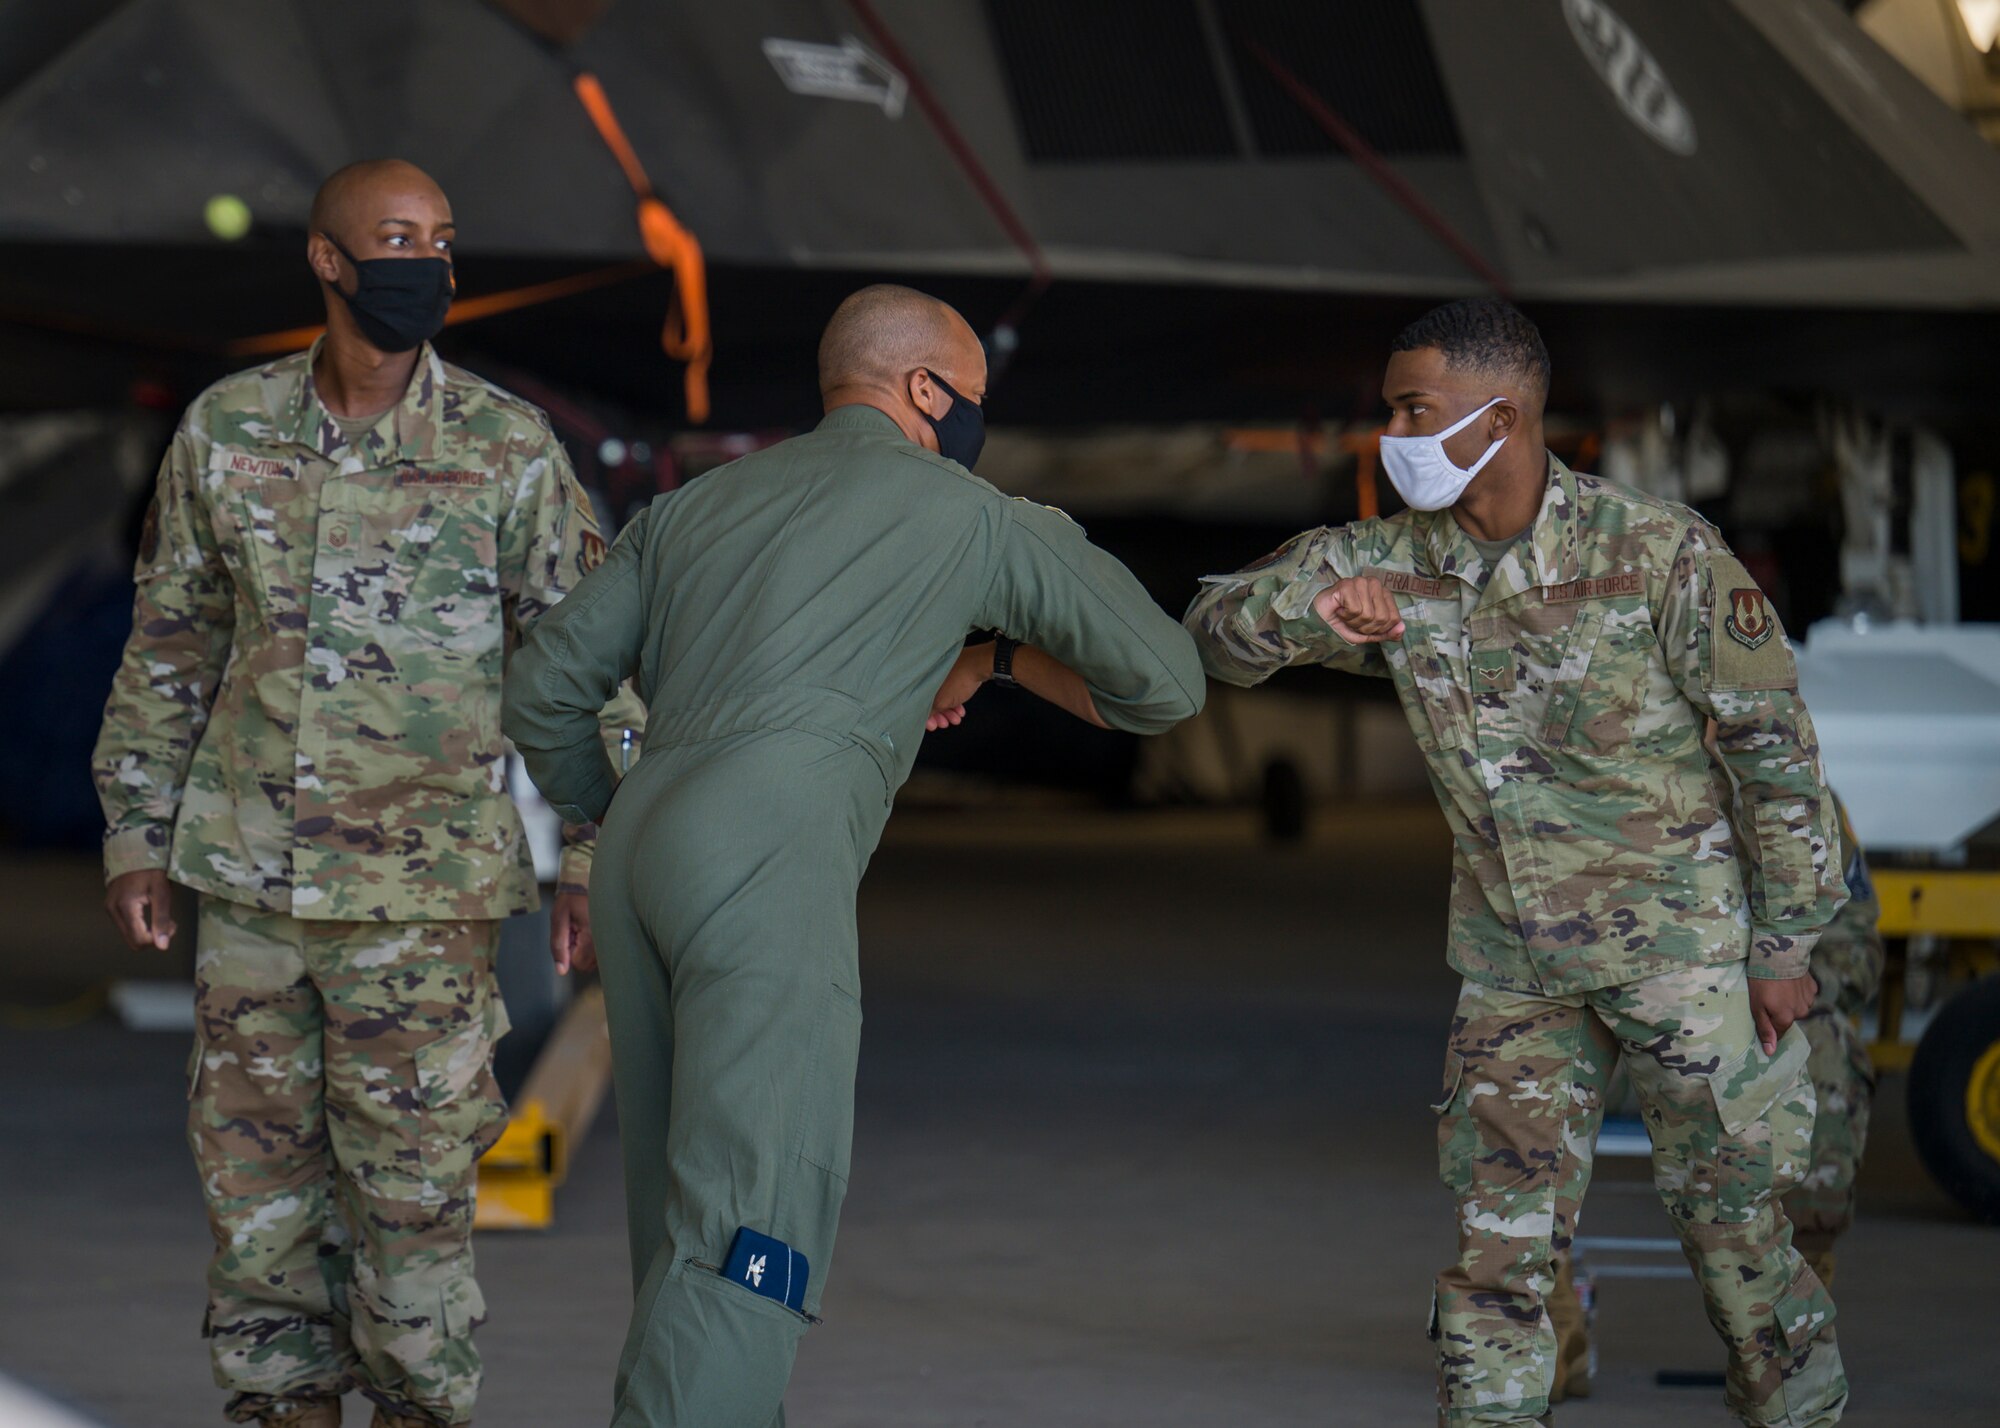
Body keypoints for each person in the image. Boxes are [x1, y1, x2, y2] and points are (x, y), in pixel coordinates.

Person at [503, 283, 1204, 1427]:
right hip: (765, 859)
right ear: (923, 389)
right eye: (971, 398)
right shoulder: (969, 516)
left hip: (640, 843)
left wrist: (616, 808)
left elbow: (542, 689)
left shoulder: (695, 508)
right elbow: (1163, 686)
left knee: (684, 1217)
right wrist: (997, 661)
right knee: (752, 1230)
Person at [1184, 298, 1850, 1428]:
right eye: (1389, 407)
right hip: (1511, 969)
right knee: (1496, 1260)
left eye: (1412, 410)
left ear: (1500, 417)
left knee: (1737, 1244)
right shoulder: (1389, 561)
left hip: (1679, 960)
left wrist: (1784, 945)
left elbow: (1772, 752)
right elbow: (1207, 631)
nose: (1390, 434)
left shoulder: (1654, 554)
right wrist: (1312, 606)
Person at [93, 159, 642, 1428]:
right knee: (257, 1198)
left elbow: (585, 663)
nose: (427, 267)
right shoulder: (225, 432)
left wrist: (593, 856)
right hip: (248, 887)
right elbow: (171, 641)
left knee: (410, 1199)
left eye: (443, 242)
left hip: (425, 895)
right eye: (396, 240)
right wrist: (136, 829)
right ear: (329, 262)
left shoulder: (504, 447)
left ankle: (417, 1411)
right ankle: (281, 1408)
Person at [1545, 792, 1883, 1402]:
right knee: (1526, 1072)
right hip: (1626, 1032)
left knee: (1827, 1052)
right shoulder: (1608, 773)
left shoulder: (1789, 795)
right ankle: (1548, 1333)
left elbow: (1854, 946)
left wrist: (1780, 988)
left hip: (1749, 1029)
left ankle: (1790, 1333)